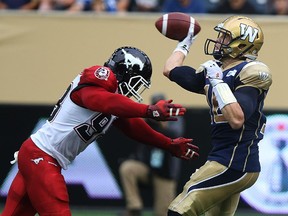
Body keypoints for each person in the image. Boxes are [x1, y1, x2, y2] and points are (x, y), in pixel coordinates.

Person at [1, 46, 200, 216]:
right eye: (136, 82)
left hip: (39, 155)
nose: (135, 90)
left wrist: (167, 143)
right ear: (124, 72)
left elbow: (133, 126)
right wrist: (149, 110)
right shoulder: (99, 78)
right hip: (42, 156)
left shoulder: (114, 101)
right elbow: (98, 100)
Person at [161, 15, 272, 215]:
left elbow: (237, 119)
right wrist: (185, 43)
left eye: (225, 37)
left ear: (242, 43)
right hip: (227, 159)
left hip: (235, 161)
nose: (219, 41)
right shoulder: (215, 70)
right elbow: (170, 70)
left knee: (178, 210)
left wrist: (218, 82)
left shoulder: (252, 71)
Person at [119, 93, 185, 216]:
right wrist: (151, 117)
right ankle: (134, 207)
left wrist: (160, 123)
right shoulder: (149, 116)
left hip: (165, 172)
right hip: (147, 167)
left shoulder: (175, 116)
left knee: (162, 213)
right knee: (127, 168)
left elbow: (176, 134)